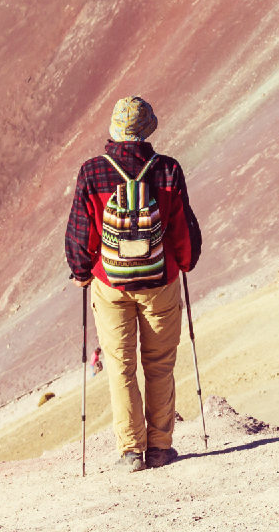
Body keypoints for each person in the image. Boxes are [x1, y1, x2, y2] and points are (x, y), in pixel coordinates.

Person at [64, 96, 202, 473]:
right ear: (147, 130)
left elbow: (80, 232)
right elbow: (182, 227)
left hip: (111, 285)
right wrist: (185, 263)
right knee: (159, 364)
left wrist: (80, 272)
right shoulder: (168, 170)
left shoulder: (92, 172)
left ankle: (130, 451)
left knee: (120, 367)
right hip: (160, 279)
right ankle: (159, 448)